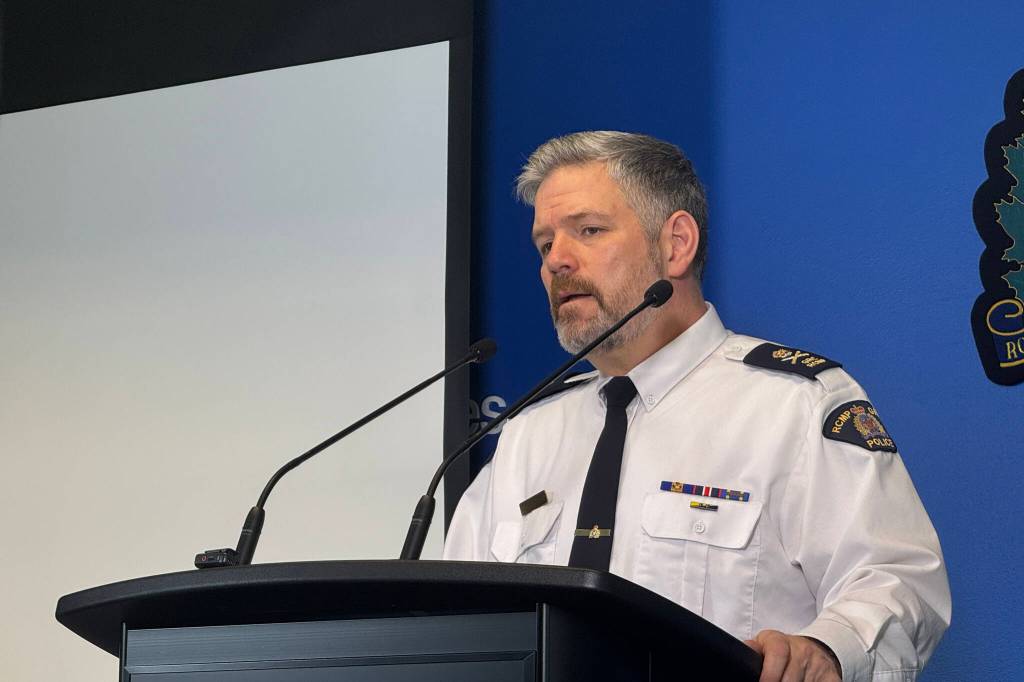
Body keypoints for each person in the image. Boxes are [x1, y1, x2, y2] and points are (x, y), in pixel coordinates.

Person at [442, 131, 950, 682]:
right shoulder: (527, 434)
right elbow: (454, 626)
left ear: (677, 245)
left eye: (588, 230)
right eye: (545, 244)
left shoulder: (795, 405)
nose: (557, 262)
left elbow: (899, 580)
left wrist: (826, 650)